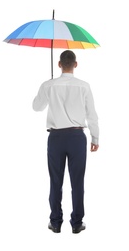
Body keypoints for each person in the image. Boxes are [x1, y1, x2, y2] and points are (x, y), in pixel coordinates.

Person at [32, 50, 99, 234]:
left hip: (56, 138)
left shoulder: (49, 85)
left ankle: (55, 222)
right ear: (75, 64)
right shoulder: (84, 86)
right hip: (77, 138)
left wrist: (47, 87)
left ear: (59, 64)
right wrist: (95, 137)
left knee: (55, 181)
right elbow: (91, 114)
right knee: (78, 182)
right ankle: (77, 223)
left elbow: (36, 107)